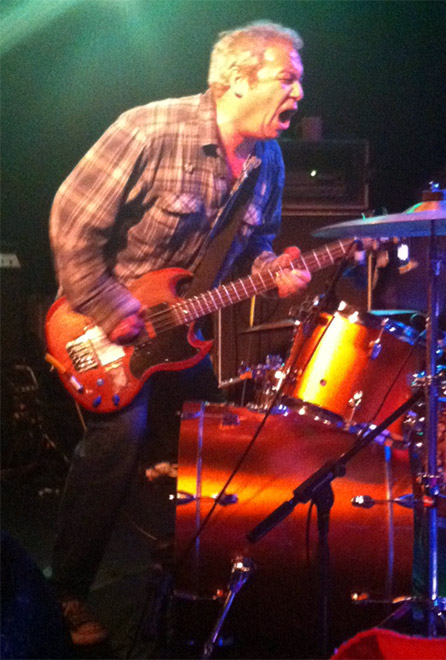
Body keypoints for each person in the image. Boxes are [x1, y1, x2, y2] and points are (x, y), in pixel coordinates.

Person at [48, 21, 310, 645]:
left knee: (215, 443)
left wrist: (272, 273)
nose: (299, 94)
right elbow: (71, 223)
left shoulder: (268, 161)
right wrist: (112, 308)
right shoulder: (149, 128)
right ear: (237, 79)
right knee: (118, 440)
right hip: (97, 325)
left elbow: (256, 247)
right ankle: (65, 593)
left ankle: (194, 578)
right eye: (288, 79)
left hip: (176, 335)